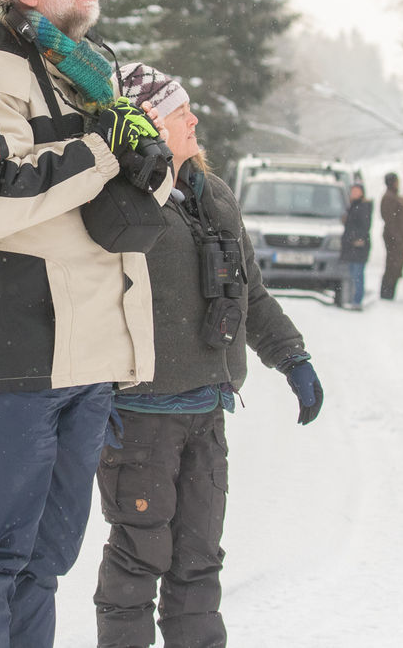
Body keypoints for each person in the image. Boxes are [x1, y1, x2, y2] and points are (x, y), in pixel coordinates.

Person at [0, 0, 172, 648]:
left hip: (93, 350)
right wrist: (102, 147)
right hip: (23, 344)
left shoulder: (86, 74)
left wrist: (148, 167)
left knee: (47, 559)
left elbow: (128, 203)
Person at [93, 63, 323, 648]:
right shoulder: (118, 201)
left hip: (207, 410)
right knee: (138, 561)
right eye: (180, 112)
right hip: (139, 415)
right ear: (148, 123)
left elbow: (251, 292)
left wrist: (291, 356)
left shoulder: (212, 194)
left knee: (198, 561)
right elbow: (87, 301)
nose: (195, 120)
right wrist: (91, 392)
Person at [341, 182, 373, 310]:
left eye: (357, 191)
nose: (354, 193)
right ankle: (352, 299)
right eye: (352, 190)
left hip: (358, 247)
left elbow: (364, 226)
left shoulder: (363, 206)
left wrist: (357, 238)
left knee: (357, 274)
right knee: (353, 274)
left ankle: (357, 301)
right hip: (351, 247)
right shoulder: (353, 206)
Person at [380, 171, 403, 300]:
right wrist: (397, 238)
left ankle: (390, 292)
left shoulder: (395, 197)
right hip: (394, 239)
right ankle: (387, 293)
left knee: (396, 266)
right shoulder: (389, 198)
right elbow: (389, 220)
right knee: (392, 265)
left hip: (399, 238)